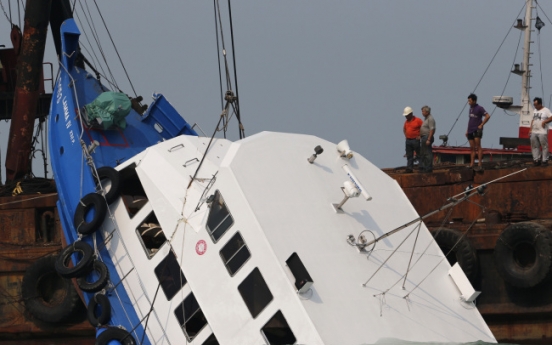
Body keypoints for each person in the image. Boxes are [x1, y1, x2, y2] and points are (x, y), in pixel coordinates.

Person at [466, 93, 490, 171]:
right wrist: (467, 130)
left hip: (477, 129)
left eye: (470, 100)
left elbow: (487, 116)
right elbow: (470, 120)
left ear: (474, 100)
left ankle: (480, 163)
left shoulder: (479, 108)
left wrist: (482, 124)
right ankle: (472, 163)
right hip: (470, 130)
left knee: (478, 146)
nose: (468, 102)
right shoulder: (470, 109)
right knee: (472, 148)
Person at [529, 97, 552, 166]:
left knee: (544, 146)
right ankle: (536, 159)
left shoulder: (546, 110)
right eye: (534, 104)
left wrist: (545, 121)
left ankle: (544, 160)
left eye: (536, 104)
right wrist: (530, 129)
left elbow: (551, 117)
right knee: (535, 146)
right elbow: (533, 120)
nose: (535, 106)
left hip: (542, 131)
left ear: (540, 104)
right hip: (534, 131)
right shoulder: (535, 110)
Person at [403, 106, 423, 173]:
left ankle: (421, 167)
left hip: (415, 140)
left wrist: (420, 136)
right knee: (409, 155)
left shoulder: (418, 120)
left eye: (407, 115)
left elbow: (423, 128)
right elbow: (404, 129)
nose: (406, 117)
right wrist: (406, 136)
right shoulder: (406, 122)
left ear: (411, 114)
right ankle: (409, 168)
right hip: (408, 140)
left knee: (418, 154)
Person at [419, 105, 436, 173]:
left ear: (427, 112)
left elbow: (432, 129)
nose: (422, 113)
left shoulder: (430, 119)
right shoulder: (426, 119)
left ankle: (428, 167)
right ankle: (424, 167)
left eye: (423, 111)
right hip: (424, 137)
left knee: (427, 153)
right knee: (423, 153)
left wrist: (429, 139)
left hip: (427, 137)